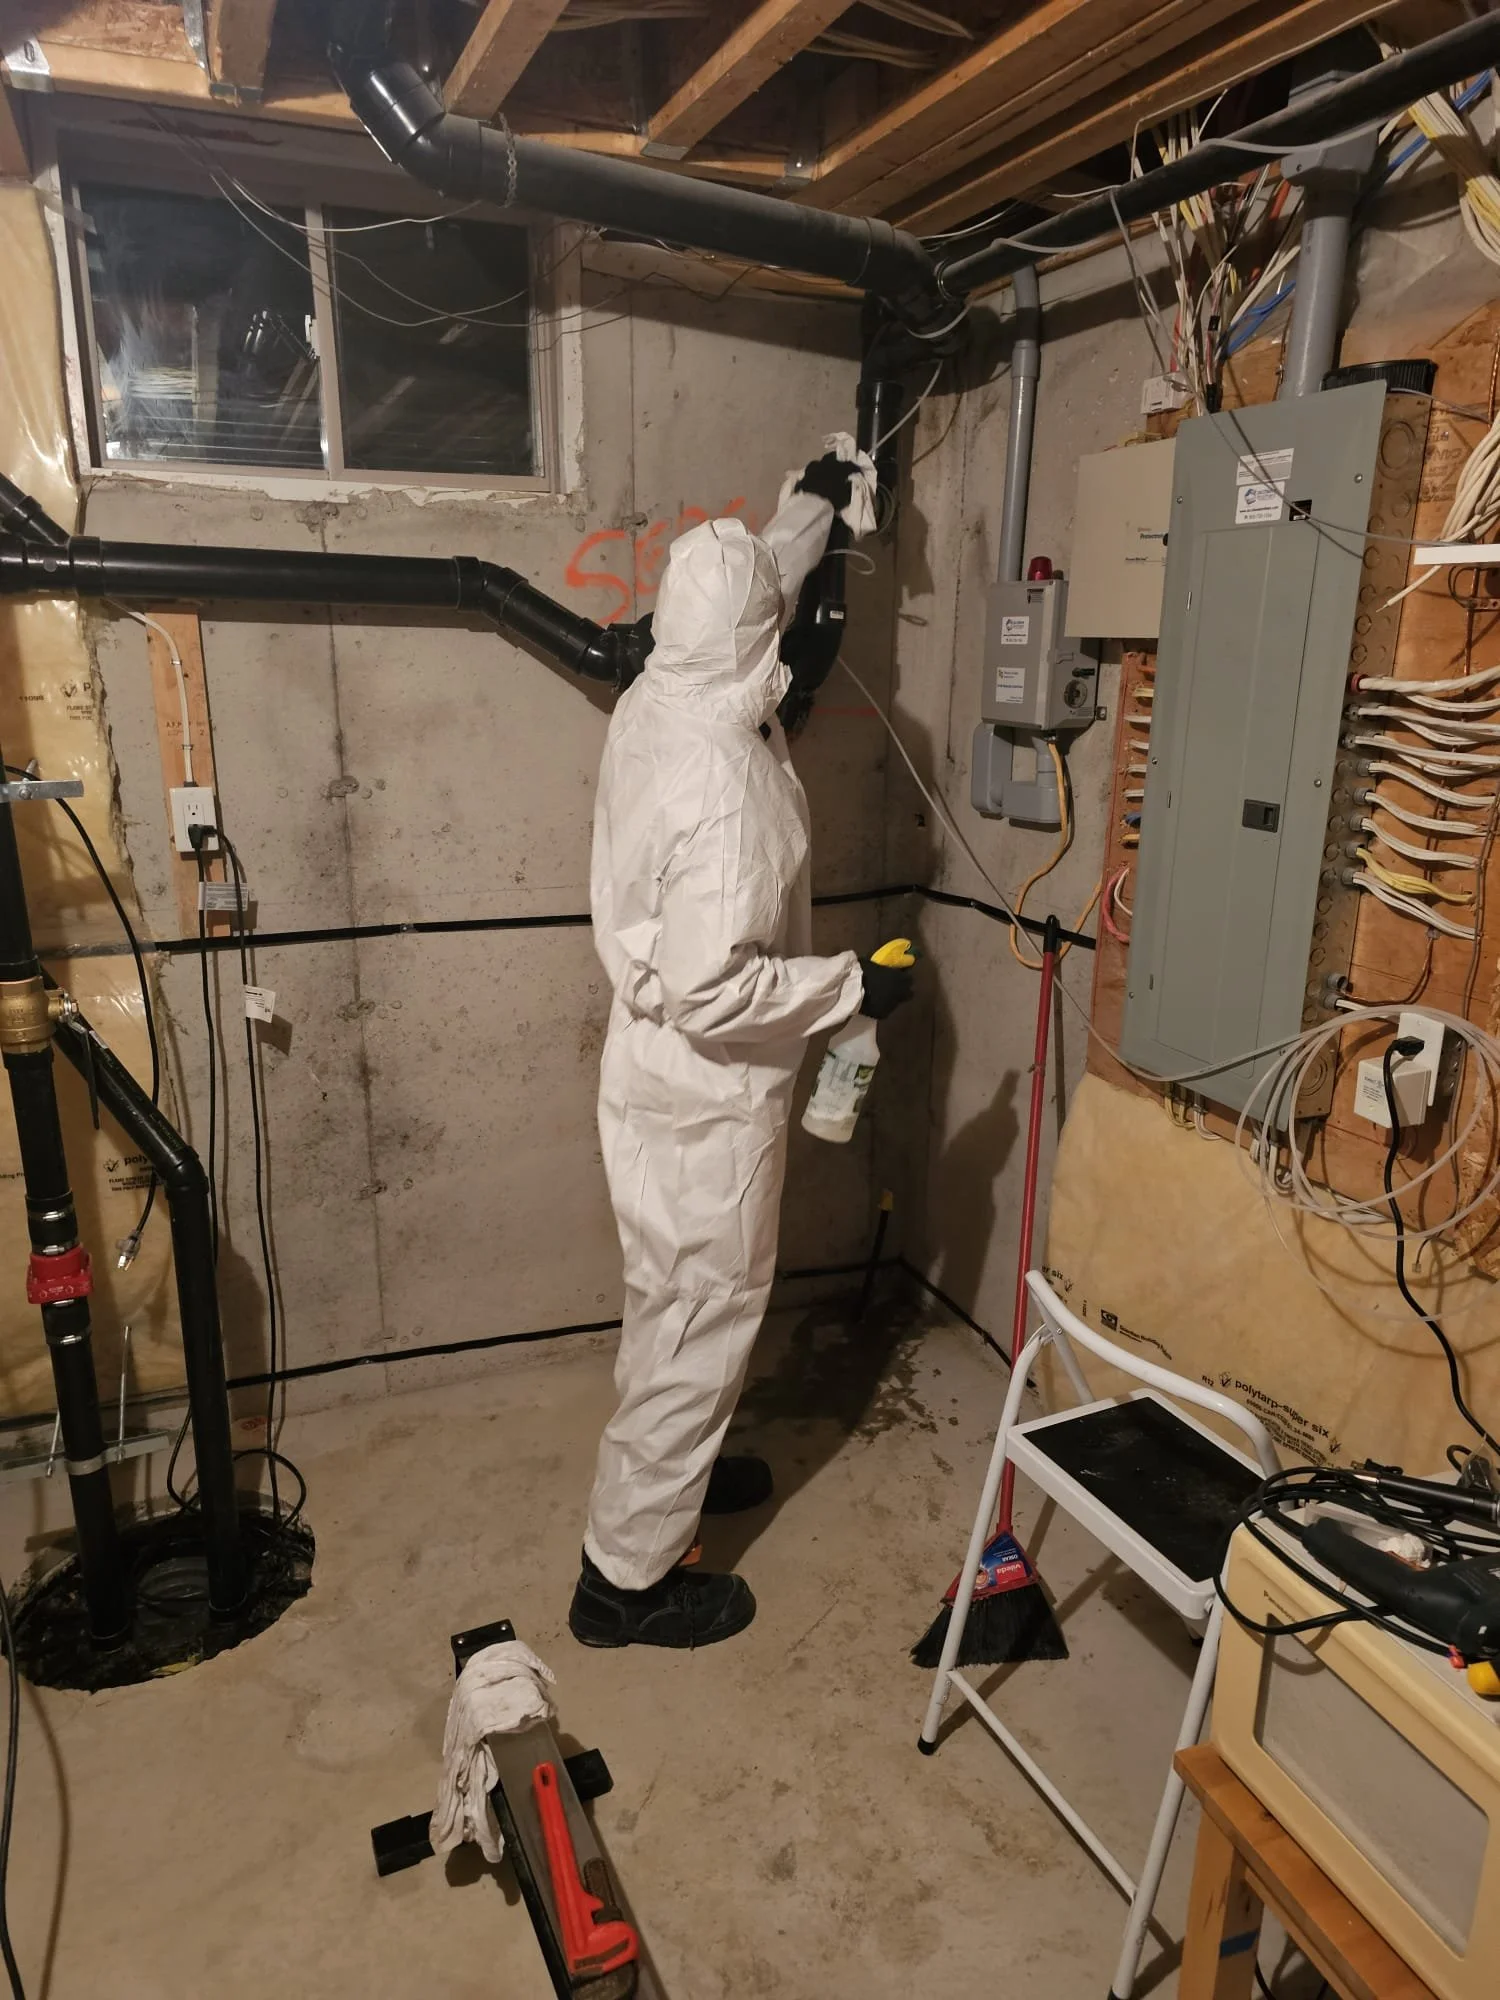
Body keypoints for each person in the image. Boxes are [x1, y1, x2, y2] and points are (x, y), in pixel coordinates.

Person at [570, 437, 915, 1649]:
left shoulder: (658, 693)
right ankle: (627, 1580)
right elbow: (715, 989)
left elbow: (752, 576)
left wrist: (808, 502)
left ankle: (672, 1476)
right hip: (707, 1088)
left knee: (671, 1302)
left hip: (652, 1078)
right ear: (755, 641)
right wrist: (853, 982)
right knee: (701, 1312)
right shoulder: (727, 787)